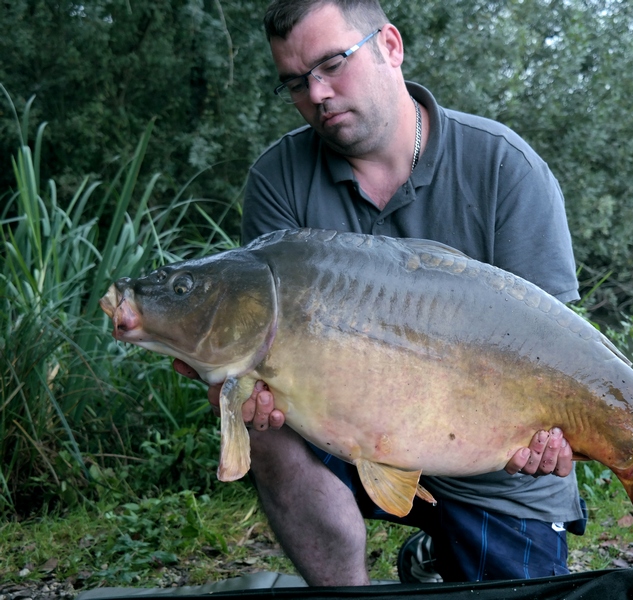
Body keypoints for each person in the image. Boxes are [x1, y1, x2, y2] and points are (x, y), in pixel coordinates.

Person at [175, 0, 586, 585]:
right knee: (268, 430)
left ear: (390, 46)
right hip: (344, 443)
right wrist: (243, 384)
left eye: (332, 64)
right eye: (294, 81)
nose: (316, 93)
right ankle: (349, 590)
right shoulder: (279, 178)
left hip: (491, 465)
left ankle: (437, 551)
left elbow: (558, 352)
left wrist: (554, 434)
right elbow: (260, 337)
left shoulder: (505, 167)